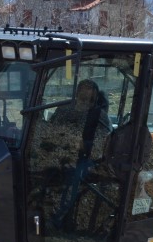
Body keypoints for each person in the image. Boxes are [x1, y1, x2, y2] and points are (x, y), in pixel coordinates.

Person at [48, 79, 111, 230]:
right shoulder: (63, 111)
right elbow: (50, 130)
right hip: (57, 153)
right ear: (76, 95)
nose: (85, 102)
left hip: (86, 159)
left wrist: (84, 145)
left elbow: (103, 143)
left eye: (89, 99)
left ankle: (58, 216)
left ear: (94, 99)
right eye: (82, 97)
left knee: (74, 177)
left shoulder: (100, 116)